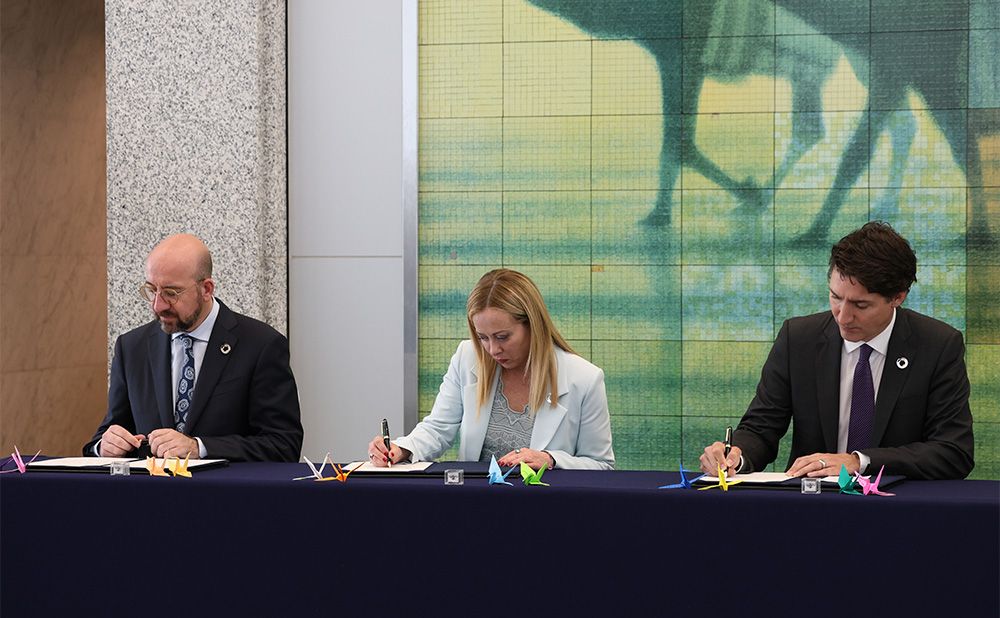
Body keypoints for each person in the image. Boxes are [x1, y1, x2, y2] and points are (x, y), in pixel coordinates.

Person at [700, 221, 974, 480]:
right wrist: (736, 454)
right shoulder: (798, 339)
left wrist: (860, 461)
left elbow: (954, 451)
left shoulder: (937, 345)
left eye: (860, 305)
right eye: (835, 297)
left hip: (898, 509)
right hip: (811, 505)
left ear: (898, 297)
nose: (842, 316)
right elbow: (760, 429)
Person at [84, 234, 303, 462]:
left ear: (206, 289)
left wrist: (200, 448)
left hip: (227, 494)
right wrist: (104, 446)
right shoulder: (131, 347)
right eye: (151, 290)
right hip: (151, 495)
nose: (158, 305)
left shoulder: (261, 344)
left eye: (171, 293)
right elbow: (110, 431)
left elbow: (284, 445)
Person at [367, 269, 615, 470]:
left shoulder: (585, 379)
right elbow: (438, 429)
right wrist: (401, 449)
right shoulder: (467, 357)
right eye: (483, 337)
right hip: (475, 507)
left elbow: (601, 465)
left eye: (503, 337)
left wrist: (551, 460)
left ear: (533, 325)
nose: (493, 349)